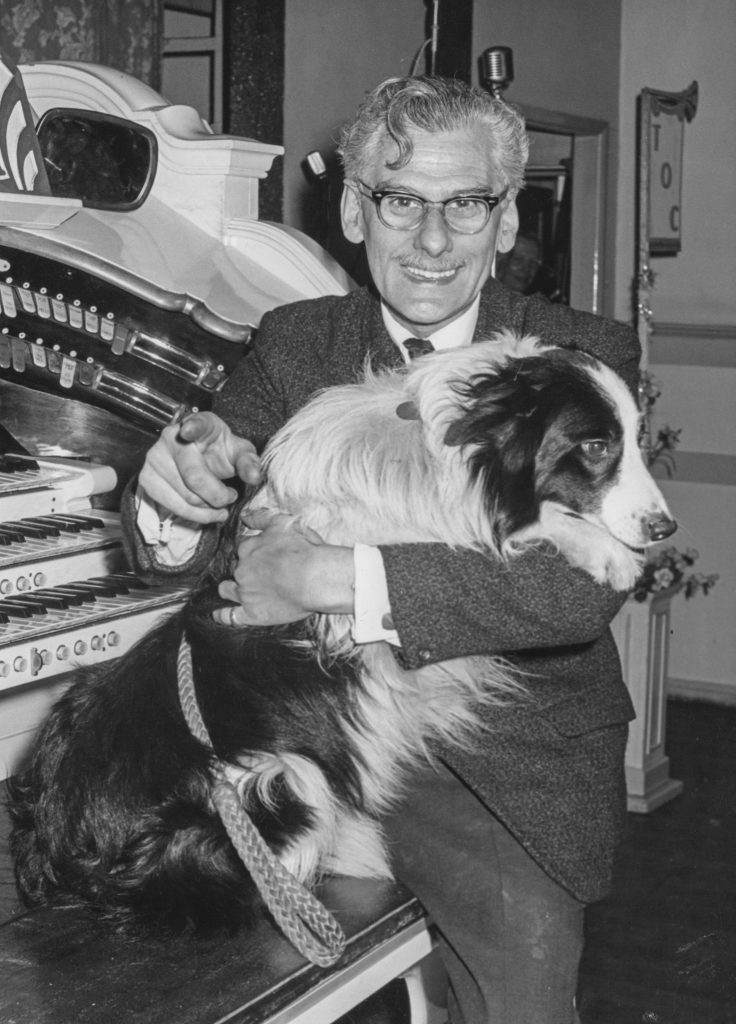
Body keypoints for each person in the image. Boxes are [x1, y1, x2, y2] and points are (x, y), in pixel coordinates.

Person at [123, 75, 641, 1024]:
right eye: (401, 201)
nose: (433, 240)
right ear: (355, 212)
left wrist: (333, 577)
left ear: (508, 220)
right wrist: (179, 492)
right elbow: (202, 531)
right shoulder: (296, 344)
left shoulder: (580, 356)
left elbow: (575, 588)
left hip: (500, 771)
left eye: (466, 203)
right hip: (311, 733)